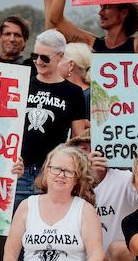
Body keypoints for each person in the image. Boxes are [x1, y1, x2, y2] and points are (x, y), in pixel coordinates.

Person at [16, 31, 90, 209]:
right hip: (19, 171)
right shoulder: (22, 82)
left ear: (60, 56)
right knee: (13, 231)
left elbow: (78, 137)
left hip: (52, 173)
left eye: (45, 58)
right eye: (35, 56)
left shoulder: (73, 92)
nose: (39, 61)